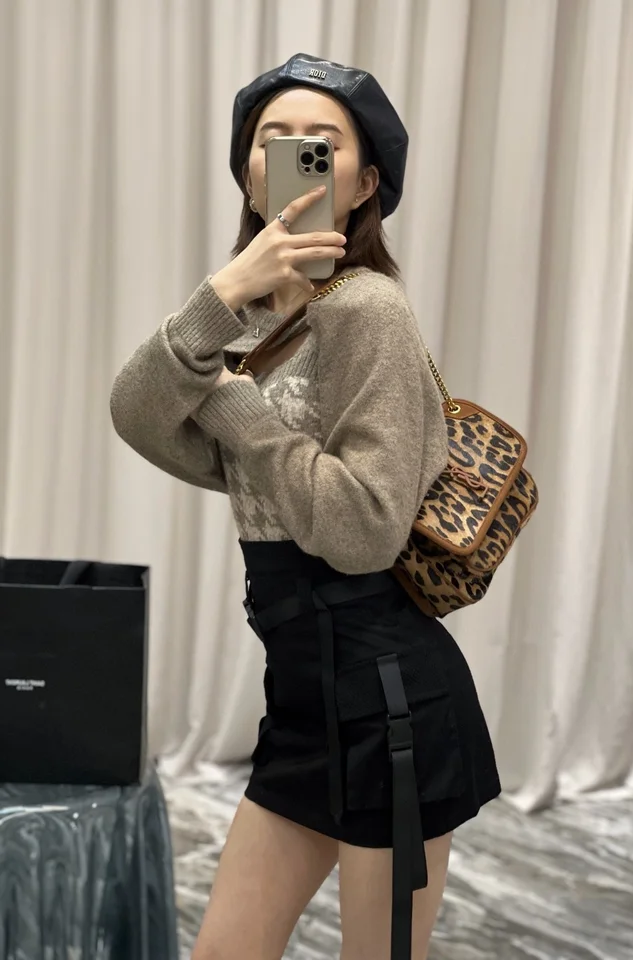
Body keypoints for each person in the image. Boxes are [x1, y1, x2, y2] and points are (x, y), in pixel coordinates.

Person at [110, 53, 501, 960]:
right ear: (249, 173)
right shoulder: (244, 324)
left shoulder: (368, 311)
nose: (293, 156)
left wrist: (239, 413)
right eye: (271, 141)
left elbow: (363, 532)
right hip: (300, 700)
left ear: (363, 185)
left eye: (321, 145)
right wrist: (219, 299)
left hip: (392, 703)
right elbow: (137, 415)